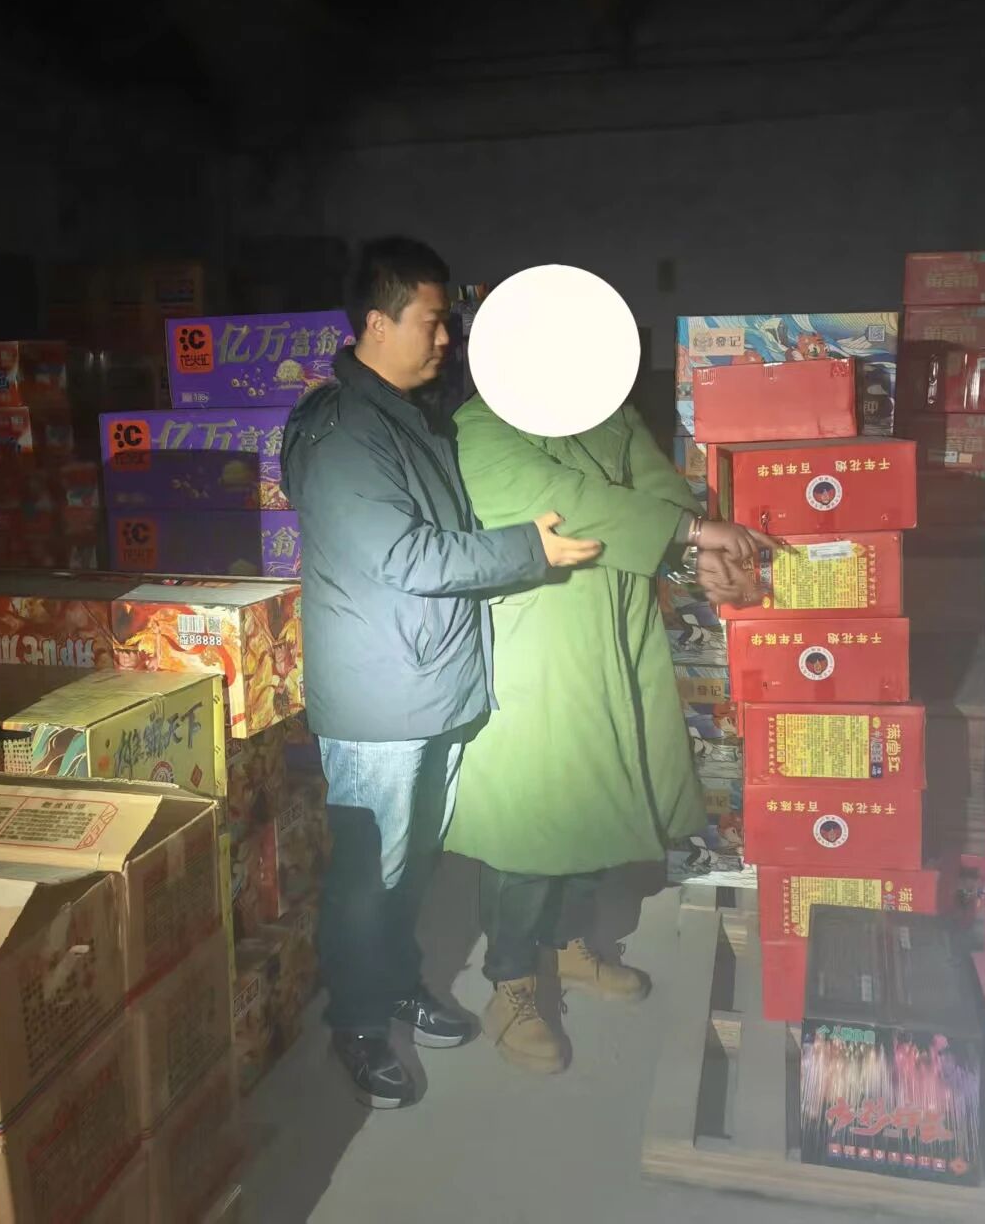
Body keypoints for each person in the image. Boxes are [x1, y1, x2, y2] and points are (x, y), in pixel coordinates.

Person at [279, 237, 603, 1107]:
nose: (446, 337)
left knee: (411, 862)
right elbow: (409, 555)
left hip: (430, 683)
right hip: (380, 697)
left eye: (448, 320)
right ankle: (356, 1022)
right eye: (432, 320)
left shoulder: (410, 417)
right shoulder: (344, 432)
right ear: (378, 322)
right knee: (368, 874)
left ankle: (396, 984)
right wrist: (529, 551)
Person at [446, 393, 773, 1073]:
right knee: (528, 824)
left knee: (604, 799)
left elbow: (659, 488)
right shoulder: (482, 425)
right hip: (538, 641)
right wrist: (690, 534)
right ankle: (510, 983)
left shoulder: (606, 413)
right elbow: (569, 505)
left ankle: (566, 944)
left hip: (621, 633)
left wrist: (692, 554)